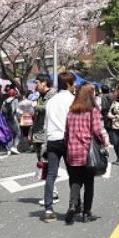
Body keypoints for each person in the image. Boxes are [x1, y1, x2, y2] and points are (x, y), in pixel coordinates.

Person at [63, 84, 110, 224]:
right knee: (89, 182)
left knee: (75, 181)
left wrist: (67, 146)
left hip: (72, 151)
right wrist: (104, 142)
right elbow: (97, 130)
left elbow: (66, 132)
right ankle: (86, 212)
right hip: (87, 152)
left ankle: (72, 205)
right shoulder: (92, 111)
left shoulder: (71, 111)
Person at [41, 71, 76, 223]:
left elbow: (46, 124)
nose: (75, 85)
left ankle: (48, 208)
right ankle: (74, 205)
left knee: (51, 175)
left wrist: (45, 144)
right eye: (73, 82)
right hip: (68, 140)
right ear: (68, 84)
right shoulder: (72, 100)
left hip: (52, 140)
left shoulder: (51, 101)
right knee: (73, 173)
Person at [3, 87, 21, 155]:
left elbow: (2, 111)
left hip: (7, 119)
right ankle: (14, 147)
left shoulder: (5, 101)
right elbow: (17, 110)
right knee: (18, 133)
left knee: (9, 133)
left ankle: (8, 149)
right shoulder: (15, 100)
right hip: (13, 118)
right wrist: (19, 117)